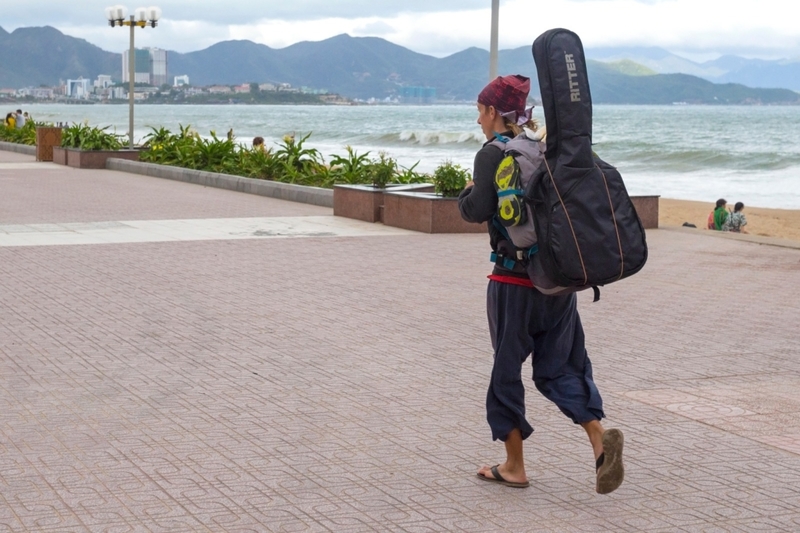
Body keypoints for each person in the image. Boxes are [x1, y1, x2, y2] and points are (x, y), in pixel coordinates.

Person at [458, 74, 624, 494]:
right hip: (556, 281)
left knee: (507, 371)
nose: (478, 119)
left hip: (512, 282)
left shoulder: (492, 154)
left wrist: (468, 193)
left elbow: (476, 211)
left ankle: (514, 466)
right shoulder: (544, 148)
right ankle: (598, 440)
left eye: (480, 111)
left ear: (494, 112)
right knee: (560, 368)